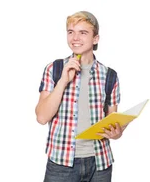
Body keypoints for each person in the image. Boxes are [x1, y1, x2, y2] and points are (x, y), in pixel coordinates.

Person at [35, 11, 124, 182]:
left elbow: (113, 121)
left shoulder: (109, 75)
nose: (75, 38)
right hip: (61, 164)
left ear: (95, 38)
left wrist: (117, 133)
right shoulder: (54, 69)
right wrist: (62, 81)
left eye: (83, 32)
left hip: (100, 164)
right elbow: (41, 117)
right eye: (71, 32)